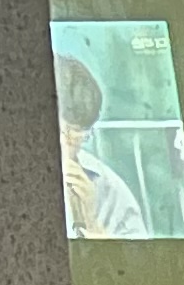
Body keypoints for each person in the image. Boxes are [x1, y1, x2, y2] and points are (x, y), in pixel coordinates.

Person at [54, 55, 152, 241]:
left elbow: (140, 257)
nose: (63, 144)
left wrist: (91, 223)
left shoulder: (111, 190)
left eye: (75, 135)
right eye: (61, 131)